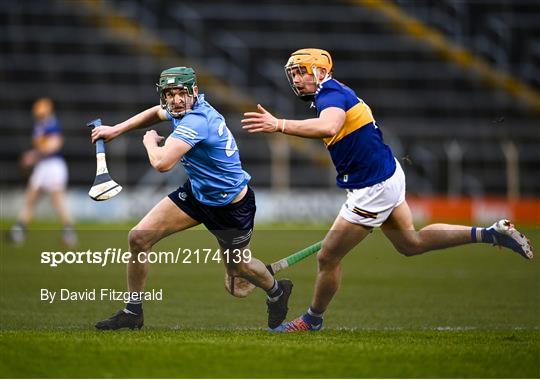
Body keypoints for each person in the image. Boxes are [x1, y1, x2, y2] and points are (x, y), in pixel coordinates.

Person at [241, 48, 534, 332]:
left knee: (327, 257)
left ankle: (312, 320)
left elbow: (329, 127)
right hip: (387, 174)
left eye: (300, 73)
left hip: (372, 188)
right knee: (411, 243)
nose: (295, 80)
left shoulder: (331, 94)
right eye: (292, 74)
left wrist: (278, 124)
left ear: (320, 71)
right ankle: (490, 233)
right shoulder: (329, 93)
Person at [92, 67, 292, 330]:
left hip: (231, 207)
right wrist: (117, 129)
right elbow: (155, 112)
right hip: (197, 195)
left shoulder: (197, 120)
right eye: (169, 94)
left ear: (194, 92)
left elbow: (162, 164)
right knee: (138, 238)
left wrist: (150, 141)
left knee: (238, 271)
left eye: (181, 93)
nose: (175, 99)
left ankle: (277, 291)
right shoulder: (179, 109)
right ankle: (133, 311)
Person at [10, 98, 77, 247]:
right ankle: (19, 230)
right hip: (43, 166)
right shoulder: (40, 126)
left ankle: (69, 232)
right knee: (30, 198)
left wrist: (33, 156)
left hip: (53, 166)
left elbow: (55, 145)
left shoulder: (52, 125)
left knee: (57, 201)